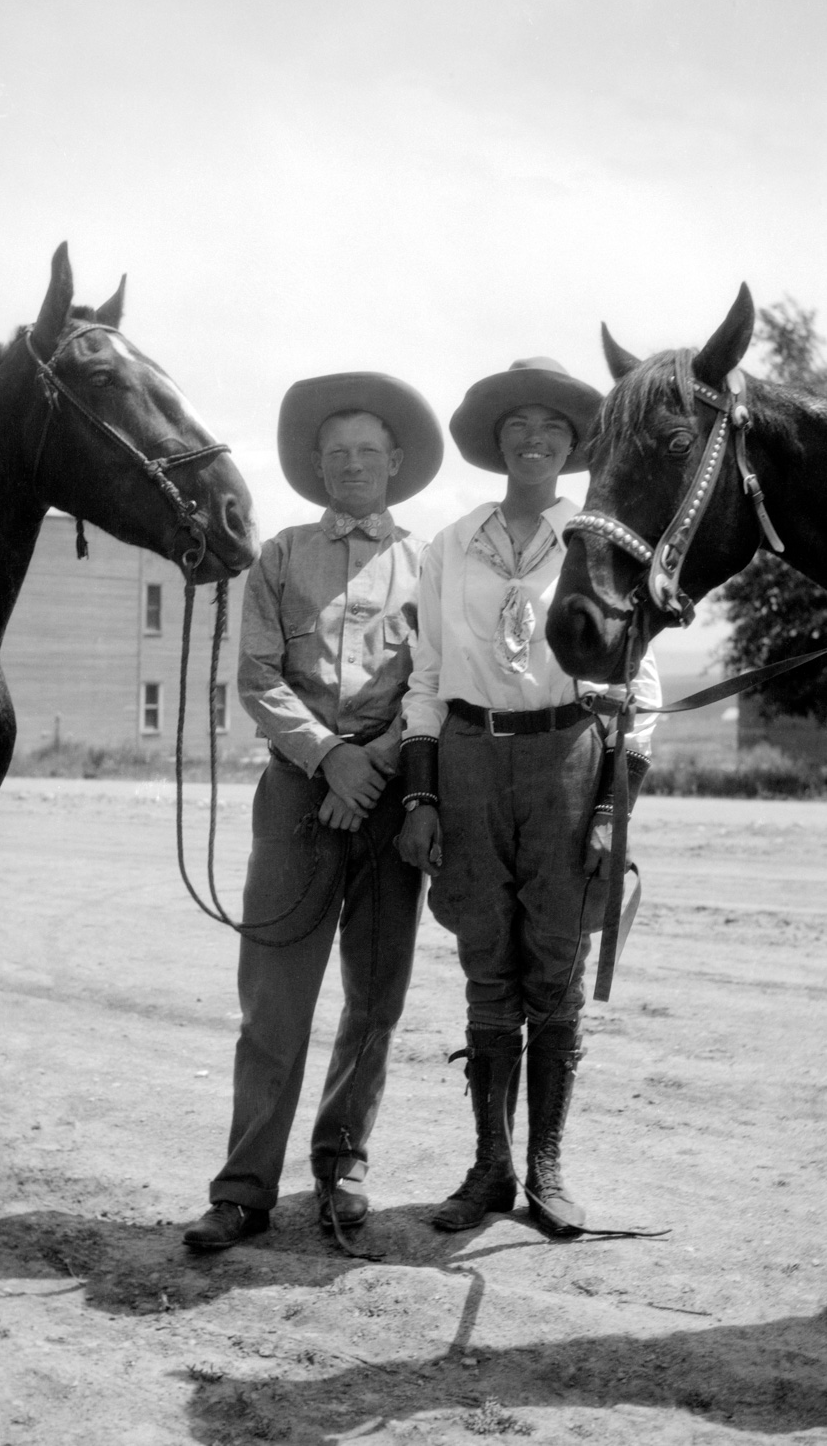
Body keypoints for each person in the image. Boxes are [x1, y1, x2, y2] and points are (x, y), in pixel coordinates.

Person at [398, 357, 660, 1237]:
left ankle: (547, 1167)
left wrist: (610, 807)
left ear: (575, 444)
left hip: (568, 758)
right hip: (469, 761)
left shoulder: (601, 539)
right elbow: (427, 678)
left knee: (555, 972)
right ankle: (489, 1168)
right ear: (495, 441)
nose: (535, 440)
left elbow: (641, 681)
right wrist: (421, 797)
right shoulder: (449, 543)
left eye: (552, 427)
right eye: (518, 426)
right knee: (486, 971)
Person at [184, 372, 443, 1250]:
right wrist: (328, 758)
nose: (352, 466)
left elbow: (433, 682)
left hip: (388, 794)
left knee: (374, 999)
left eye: (368, 452)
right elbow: (256, 677)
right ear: (317, 468)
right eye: (336, 455)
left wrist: (371, 767)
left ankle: (341, 1168)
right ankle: (244, 1188)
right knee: (275, 1003)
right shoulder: (280, 556)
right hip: (298, 795)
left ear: (396, 464)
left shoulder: (430, 564)